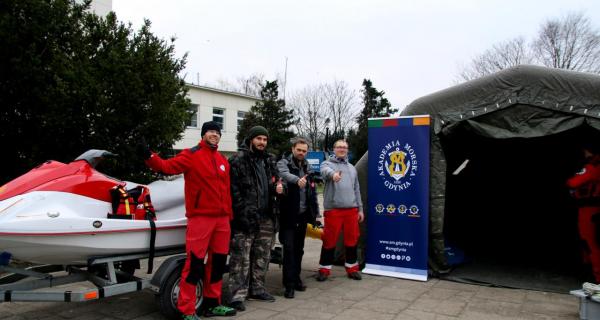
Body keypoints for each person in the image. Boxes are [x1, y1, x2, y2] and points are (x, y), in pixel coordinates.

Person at [139, 121, 236, 320]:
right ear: (203, 134)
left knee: (217, 263)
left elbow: (226, 192)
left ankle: (212, 303)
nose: (214, 135)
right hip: (200, 218)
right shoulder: (190, 155)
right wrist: (148, 156)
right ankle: (187, 309)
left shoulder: (222, 160)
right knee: (195, 264)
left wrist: (229, 217)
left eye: (217, 132)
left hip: (222, 220)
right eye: (210, 131)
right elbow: (166, 167)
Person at [227, 126, 282, 311]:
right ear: (250, 139)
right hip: (245, 218)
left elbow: (278, 182)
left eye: (265, 139)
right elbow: (233, 192)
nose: (262, 142)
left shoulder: (269, 160)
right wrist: (241, 215)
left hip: (266, 217)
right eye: (259, 138)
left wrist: (279, 189)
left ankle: (257, 289)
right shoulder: (237, 160)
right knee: (241, 258)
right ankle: (237, 295)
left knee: (262, 256)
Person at [277, 138, 320, 298]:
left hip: (302, 215)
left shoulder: (307, 166)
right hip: (287, 215)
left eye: (304, 151)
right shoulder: (284, 163)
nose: (301, 153)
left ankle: (296, 278)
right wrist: (297, 180)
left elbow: (312, 192)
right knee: (288, 249)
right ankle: (288, 285)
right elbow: (283, 174)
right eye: (299, 150)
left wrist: (315, 214)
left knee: (299, 249)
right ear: (293, 148)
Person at [317, 139, 364, 281]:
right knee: (329, 240)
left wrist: (360, 209)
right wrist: (333, 175)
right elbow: (325, 172)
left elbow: (357, 190)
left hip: (352, 210)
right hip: (334, 210)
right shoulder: (326, 164)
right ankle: (324, 269)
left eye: (344, 147)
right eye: (339, 147)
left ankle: (352, 268)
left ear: (347, 150)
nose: (342, 149)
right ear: (334, 149)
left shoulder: (352, 168)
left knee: (352, 240)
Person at [567, 146, 600, 283]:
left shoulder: (594, 166)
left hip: (590, 209)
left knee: (590, 243)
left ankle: (597, 278)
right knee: (588, 243)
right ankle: (590, 274)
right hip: (591, 208)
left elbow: (573, 182)